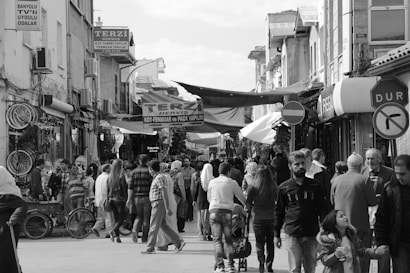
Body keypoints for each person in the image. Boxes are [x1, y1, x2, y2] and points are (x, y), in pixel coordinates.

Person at [274, 151, 329, 273]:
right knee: (295, 269)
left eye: (302, 164)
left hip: (312, 232)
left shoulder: (315, 186)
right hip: (292, 232)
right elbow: (279, 212)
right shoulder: (284, 188)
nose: (300, 167)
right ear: (290, 166)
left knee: (310, 268)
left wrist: (324, 228)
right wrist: (276, 234)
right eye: (296, 164)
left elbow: (322, 208)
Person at [331, 152, 378, 273]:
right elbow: (372, 202)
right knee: (361, 257)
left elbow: (332, 200)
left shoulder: (336, 180)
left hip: (339, 226)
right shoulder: (364, 180)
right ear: (361, 165)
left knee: (342, 257)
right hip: (359, 225)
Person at [317, 210, 389, 273]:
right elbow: (324, 259)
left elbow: (362, 251)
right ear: (335, 223)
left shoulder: (352, 236)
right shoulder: (330, 239)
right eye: (341, 216)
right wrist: (335, 255)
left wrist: (376, 252)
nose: (345, 217)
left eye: (345, 215)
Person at [207, 162, 246, 273]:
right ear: (229, 172)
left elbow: (209, 198)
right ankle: (230, 266)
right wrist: (246, 205)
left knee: (217, 240)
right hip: (227, 213)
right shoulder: (231, 182)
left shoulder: (212, 182)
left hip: (214, 212)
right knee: (228, 240)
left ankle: (220, 266)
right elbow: (241, 197)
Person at [141, 160, 186, 254]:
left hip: (158, 203)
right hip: (157, 203)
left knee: (153, 226)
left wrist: (167, 207)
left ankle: (150, 247)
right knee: (163, 225)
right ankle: (178, 242)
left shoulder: (159, 178)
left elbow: (164, 192)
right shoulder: (159, 177)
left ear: (151, 169)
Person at [375, 154, 410, 273]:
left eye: (403, 174)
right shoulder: (390, 189)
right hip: (399, 243)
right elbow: (381, 217)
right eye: (397, 173)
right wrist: (381, 242)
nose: (399, 177)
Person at [362, 148, 394, 273]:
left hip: (383, 215)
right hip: (365, 216)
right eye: (367, 158)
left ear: (379, 159)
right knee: (365, 247)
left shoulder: (389, 173)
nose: (369, 161)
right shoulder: (362, 172)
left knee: (383, 246)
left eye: (372, 158)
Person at [246, 165, 278, 273]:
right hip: (271, 218)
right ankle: (269, 265)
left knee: (259, 242)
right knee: (270, 243)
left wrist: (247, 218)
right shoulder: (274, 187)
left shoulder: (253, 187)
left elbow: (248, 203)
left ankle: (261, 262)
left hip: (258, 218)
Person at [0, 166, 27, 273]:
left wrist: (13, 219)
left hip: (8, 228)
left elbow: (22, 207)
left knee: (7, 255)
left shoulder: (11, 195)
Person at [126, 154, 152, 243]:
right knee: (146, 217)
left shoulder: (133, 172)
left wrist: (129, 199)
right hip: (147, 197)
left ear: (139, 161)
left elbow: (130, 186)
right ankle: (144, 237)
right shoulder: (149, 172)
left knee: (139, 215)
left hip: (137, 197)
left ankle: (135, 230)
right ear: (147, 161)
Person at [155, 162, 179, 251]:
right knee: (171, 223)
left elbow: (163, 192)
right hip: (171, 201)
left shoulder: (162, 177)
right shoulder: (168, 177)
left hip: (166, 202)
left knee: (163, 224)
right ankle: (173, 242)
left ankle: (163, 243)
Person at [107, 159, 128, 243]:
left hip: (112, 199)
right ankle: (113, 230)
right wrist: (126, 198)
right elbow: (124, 188)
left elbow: (108, 189)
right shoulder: (121, 176)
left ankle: (117, 237)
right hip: (120, 199)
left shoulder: (110, 176)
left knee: (116, 218)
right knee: (121, 219)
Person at [91, 164, 113, 238]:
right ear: (107, 169)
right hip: (105, 199)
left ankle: (96, 228)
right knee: (108, 216)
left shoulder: (99, 177)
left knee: (101, 217)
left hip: (98, 199)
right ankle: (109, 232)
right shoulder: (108, 177)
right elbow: (109, 188)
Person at [194, 162, 212, 241]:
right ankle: (208, 233)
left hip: (200, 201)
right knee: (208, 218)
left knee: (201, 218)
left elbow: (196, 191)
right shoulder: (213, 180)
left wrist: (194, 200)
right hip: (209, 201)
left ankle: (201, 234)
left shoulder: (200, 180)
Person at [170, 160, 187, 232]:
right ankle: (179, 227)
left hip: (170, 194)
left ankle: (172, 226)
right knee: (180, 211)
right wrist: (184, 196)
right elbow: (181, 186)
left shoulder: (169, 173)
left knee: (173, 211)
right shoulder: (179, 174)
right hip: (178, 195)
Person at [181, 157, 195, 221]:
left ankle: (190, 216)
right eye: (185, 161)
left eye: (187, 161)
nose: (186, 162)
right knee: (184, 203)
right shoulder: (181, 170)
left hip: (190, 188)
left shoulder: (193, 170)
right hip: (183, 188)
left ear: (190, 162)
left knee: (190, 202)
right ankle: (185, 216)